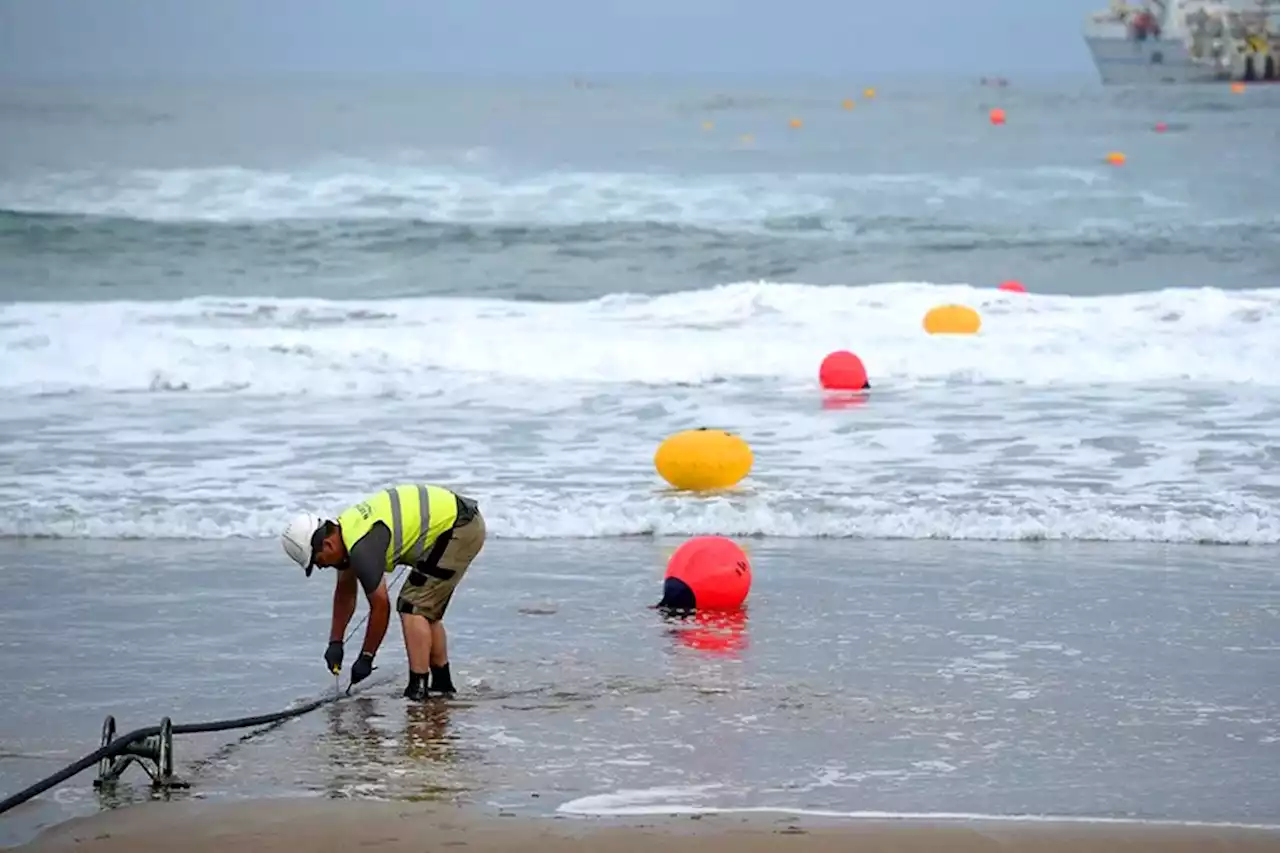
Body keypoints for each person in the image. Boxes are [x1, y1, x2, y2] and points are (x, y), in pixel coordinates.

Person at [280, 482, 486, 700]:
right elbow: (345, 593)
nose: (322, 567)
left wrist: (366, 657)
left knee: (412, 606)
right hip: (457, 524)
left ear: (328, 545)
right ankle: (442, 684)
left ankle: (418, 689)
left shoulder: (361, 548)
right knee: (424, 607)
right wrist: (335, 642)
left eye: (318, 561)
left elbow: (380, 607)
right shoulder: (347, 533)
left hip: (459, 528)